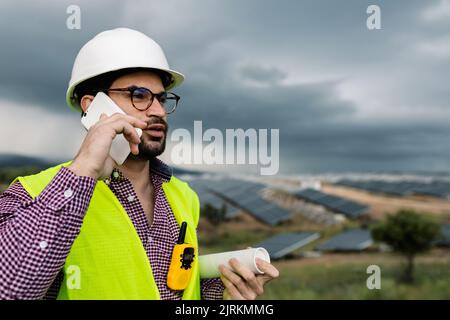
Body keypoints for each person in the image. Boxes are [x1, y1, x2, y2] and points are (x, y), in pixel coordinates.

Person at [0, 28, 279, 300]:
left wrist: (224, 296)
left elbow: (171, 287)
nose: (158, 111)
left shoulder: (184, 197)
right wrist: (84, 169)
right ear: (92, 106)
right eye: (140, 95)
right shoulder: (32, 194)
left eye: (161, 98)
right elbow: (10, 288)